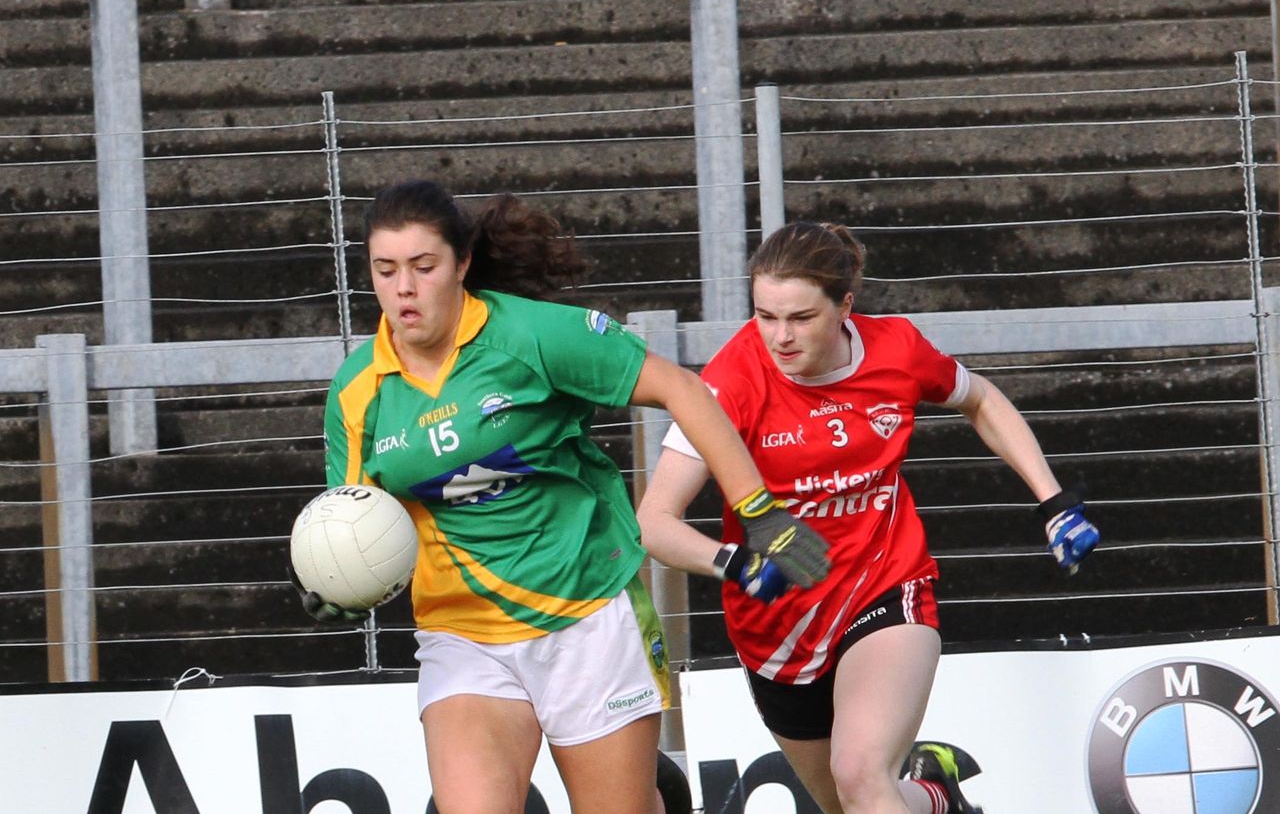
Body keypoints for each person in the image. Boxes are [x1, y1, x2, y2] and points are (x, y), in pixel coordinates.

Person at [287, 179, 832, 814]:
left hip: (587, 615)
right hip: (463, 634)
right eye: (386, 270)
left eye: (423, 266)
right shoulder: (358, 392)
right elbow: (351, 520)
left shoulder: (534, 337)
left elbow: (685, 390)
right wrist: (334, 585)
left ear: (461, 264)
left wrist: (760, 513)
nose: (403, 288)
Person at [636, 221, 1100, 814]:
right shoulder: (731, 381)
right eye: (765, 316)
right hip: (775, 628)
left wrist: (1052, 502)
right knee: (850, 801)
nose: (779, 337)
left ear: (845, 305)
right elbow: (654, 521)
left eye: (801, 318)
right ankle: (937, 798)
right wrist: (734, 561)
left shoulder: (897, 350)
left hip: (885, 587)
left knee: (860, 774)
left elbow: (979, 397)